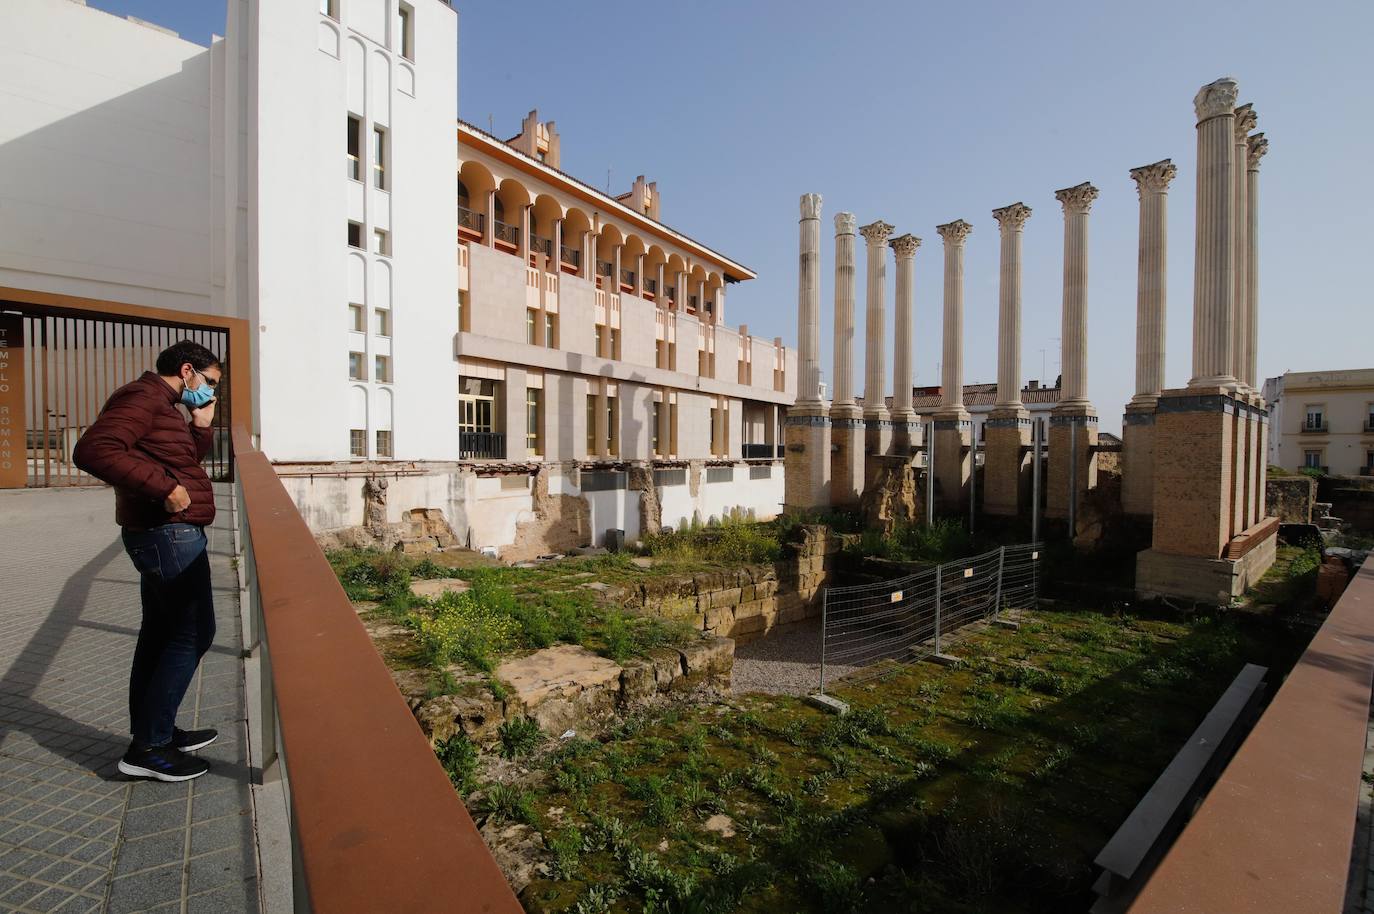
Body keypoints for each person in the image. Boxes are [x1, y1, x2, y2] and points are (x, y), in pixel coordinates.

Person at [72, 340, 223, 782]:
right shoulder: (143, 398)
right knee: (194, 631)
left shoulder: (164, 405)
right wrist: (163, 489)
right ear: (188, 369)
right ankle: (150, 748)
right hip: (165, 534)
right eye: (209, 384)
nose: (210, 393)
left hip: (162, 534)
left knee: (160, 635)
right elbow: (94, 450)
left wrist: (200, 427)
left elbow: (180, 461)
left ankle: (158, 731)